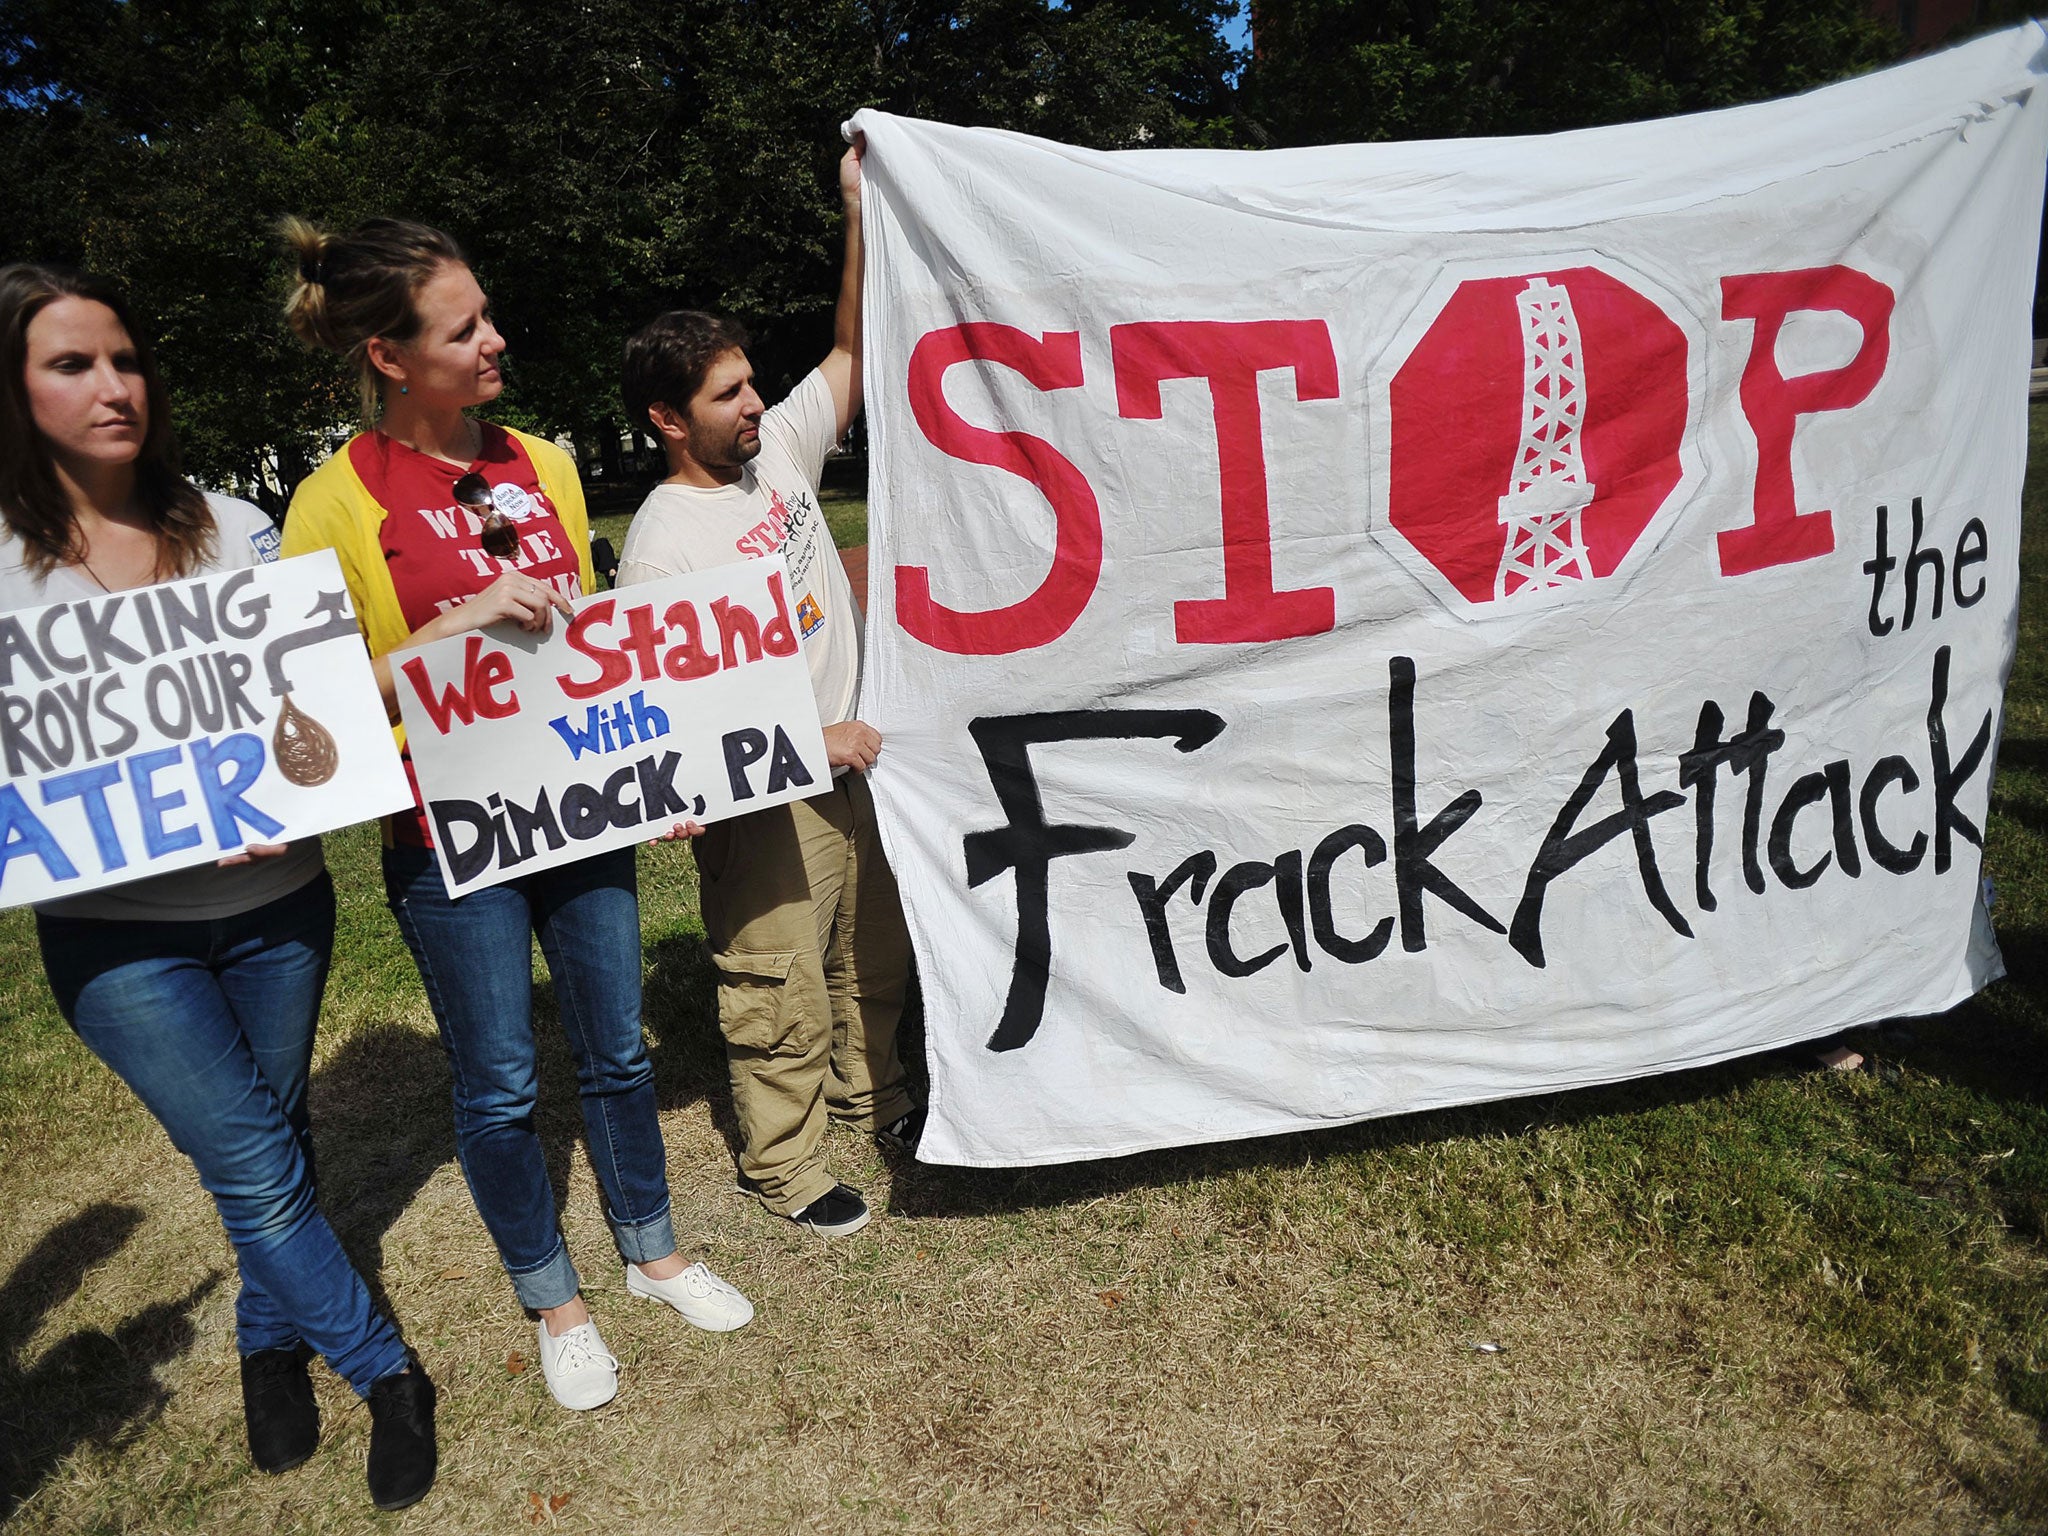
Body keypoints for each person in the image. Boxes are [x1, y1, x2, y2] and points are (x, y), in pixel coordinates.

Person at [277, 216, 752, 1414]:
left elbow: (594, 648)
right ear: (391, 356)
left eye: (486, 314)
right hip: (448, 845)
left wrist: (656, 764)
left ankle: (651, 1251)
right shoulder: (333, 504)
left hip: (579, 812)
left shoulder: (542, 459)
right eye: (464, 327)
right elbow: (306, 711)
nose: (496, 338)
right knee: (494, 1085)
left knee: (619, 1048)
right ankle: (556, 1299)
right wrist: (443, 630)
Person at [0, 263, 436, 1510]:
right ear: (15, 389)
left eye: (125, 359)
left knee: (277, 1137)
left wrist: (286, 793)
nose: (111, 386)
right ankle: (385, 1370)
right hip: (117, 943)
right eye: (71, 364)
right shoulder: (5, 570)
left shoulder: (239, 528)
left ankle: (264, 1346)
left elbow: (331, 707)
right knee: (250, 1164)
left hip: (276, 909)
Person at [617, 134, 920, 1238]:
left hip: (856, 757)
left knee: (868, 951)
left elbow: (850, 344)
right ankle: (786, 1166)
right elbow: (678, 715)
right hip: (767, 797)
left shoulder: (778, 453)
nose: (753, 406)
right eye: (725, 394)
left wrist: (852, 208)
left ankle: (876, 1098)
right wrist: (810, 738)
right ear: (666, 419)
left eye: (750, 385)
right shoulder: (659, 545)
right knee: (775, 985)